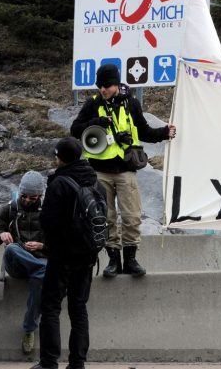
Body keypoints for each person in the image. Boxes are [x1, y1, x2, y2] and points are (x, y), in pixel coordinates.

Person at [70, 63, 176, 278]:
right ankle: (112, 261)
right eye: (100, 86)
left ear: (117, 83)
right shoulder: (93, 104)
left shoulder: (132, 103)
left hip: (126, 169)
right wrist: (96, 122)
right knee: (106, 217)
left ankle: (131, 260)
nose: (103, 90)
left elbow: (144, 131)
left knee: (132, 216)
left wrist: (164, 132)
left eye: (107, 85)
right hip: (99, 171)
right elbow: (75, 130)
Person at [32, 137, 102, 369]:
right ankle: (77, 363)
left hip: (63, 256)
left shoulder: (59, 183)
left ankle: (49, 362)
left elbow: (48, 222)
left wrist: (50, 247)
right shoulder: (94, 181)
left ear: (60, 157)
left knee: (51, 307)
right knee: (79, 309)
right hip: (87, 255)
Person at [0, 170, 47, 354]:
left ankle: (29, 329)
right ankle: (44, 268)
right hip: (18, 264)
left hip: (39, 263)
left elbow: (63, 242)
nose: (28, 200)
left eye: (33, 197)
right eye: (24, 196)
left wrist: (41, 246)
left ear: (40, 195)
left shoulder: (49, 211)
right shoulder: (10, 208)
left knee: (41, 276)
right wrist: (0, 234)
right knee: (12, 248)